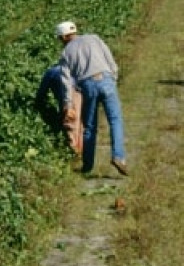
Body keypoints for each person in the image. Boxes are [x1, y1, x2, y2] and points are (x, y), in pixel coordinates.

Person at [54, 21, 128, 175]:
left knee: (89, 127)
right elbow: (110, 59)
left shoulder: (66, 53)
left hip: (87, 85)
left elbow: (66, 81)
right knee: (115, 120)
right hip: (106, 79)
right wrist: (113, 77)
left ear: (63, 37)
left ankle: (87, 166)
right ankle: (118, 157)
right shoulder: (94, 38)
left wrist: (68, 104)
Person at [35, 63, 83, 154]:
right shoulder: (74, 70)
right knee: (79, 123)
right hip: (79, 93)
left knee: (69, 124)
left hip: (66, 96)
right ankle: (80, 151)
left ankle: (72, 150)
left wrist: (37, 105)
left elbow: (41, 93)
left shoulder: (51, 72)